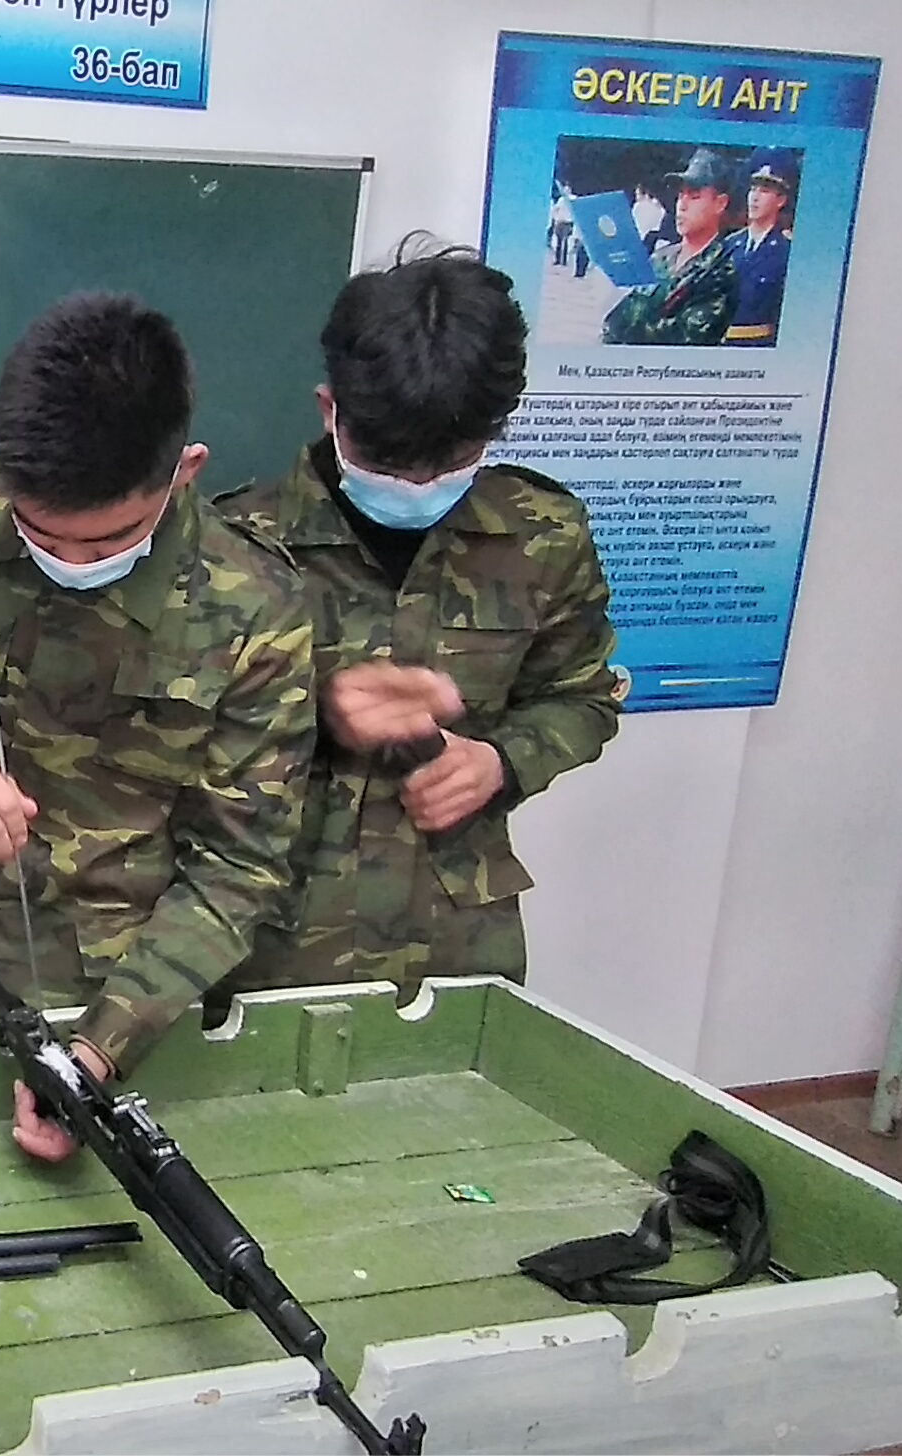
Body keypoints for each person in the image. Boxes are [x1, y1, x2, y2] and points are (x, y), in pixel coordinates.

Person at [0, 293, 316, 1159]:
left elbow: (241, 869)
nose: (69, 563)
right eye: (41, 534)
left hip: (126, 1007)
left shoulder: (254, 611)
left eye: (106, 542)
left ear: (184, 471)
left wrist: (96, 1055)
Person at [216, 240, 622, 1000]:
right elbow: (154, 740)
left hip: (454, 947)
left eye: (446, 465)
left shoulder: (543, 535)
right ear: (330, 409)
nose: (416, 484)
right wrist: (312, 710)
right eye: (389, 465)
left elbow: (582, 696)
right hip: (263, 947)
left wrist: (502, 763)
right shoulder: (235, 544)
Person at [603, 148, 741, 347]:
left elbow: (684, 337)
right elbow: (615, 322)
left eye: (694, 196)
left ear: (720, 203)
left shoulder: (723, 270)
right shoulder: (661, 257)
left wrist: (628, 323)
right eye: (680, 195)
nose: (682, 205)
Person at [723, 151, 796, 346]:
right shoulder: (730, 245)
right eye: (753, 189)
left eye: (764, 191)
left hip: (760, 345)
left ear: (780, 200)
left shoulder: (786, 250)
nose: (754, 198)